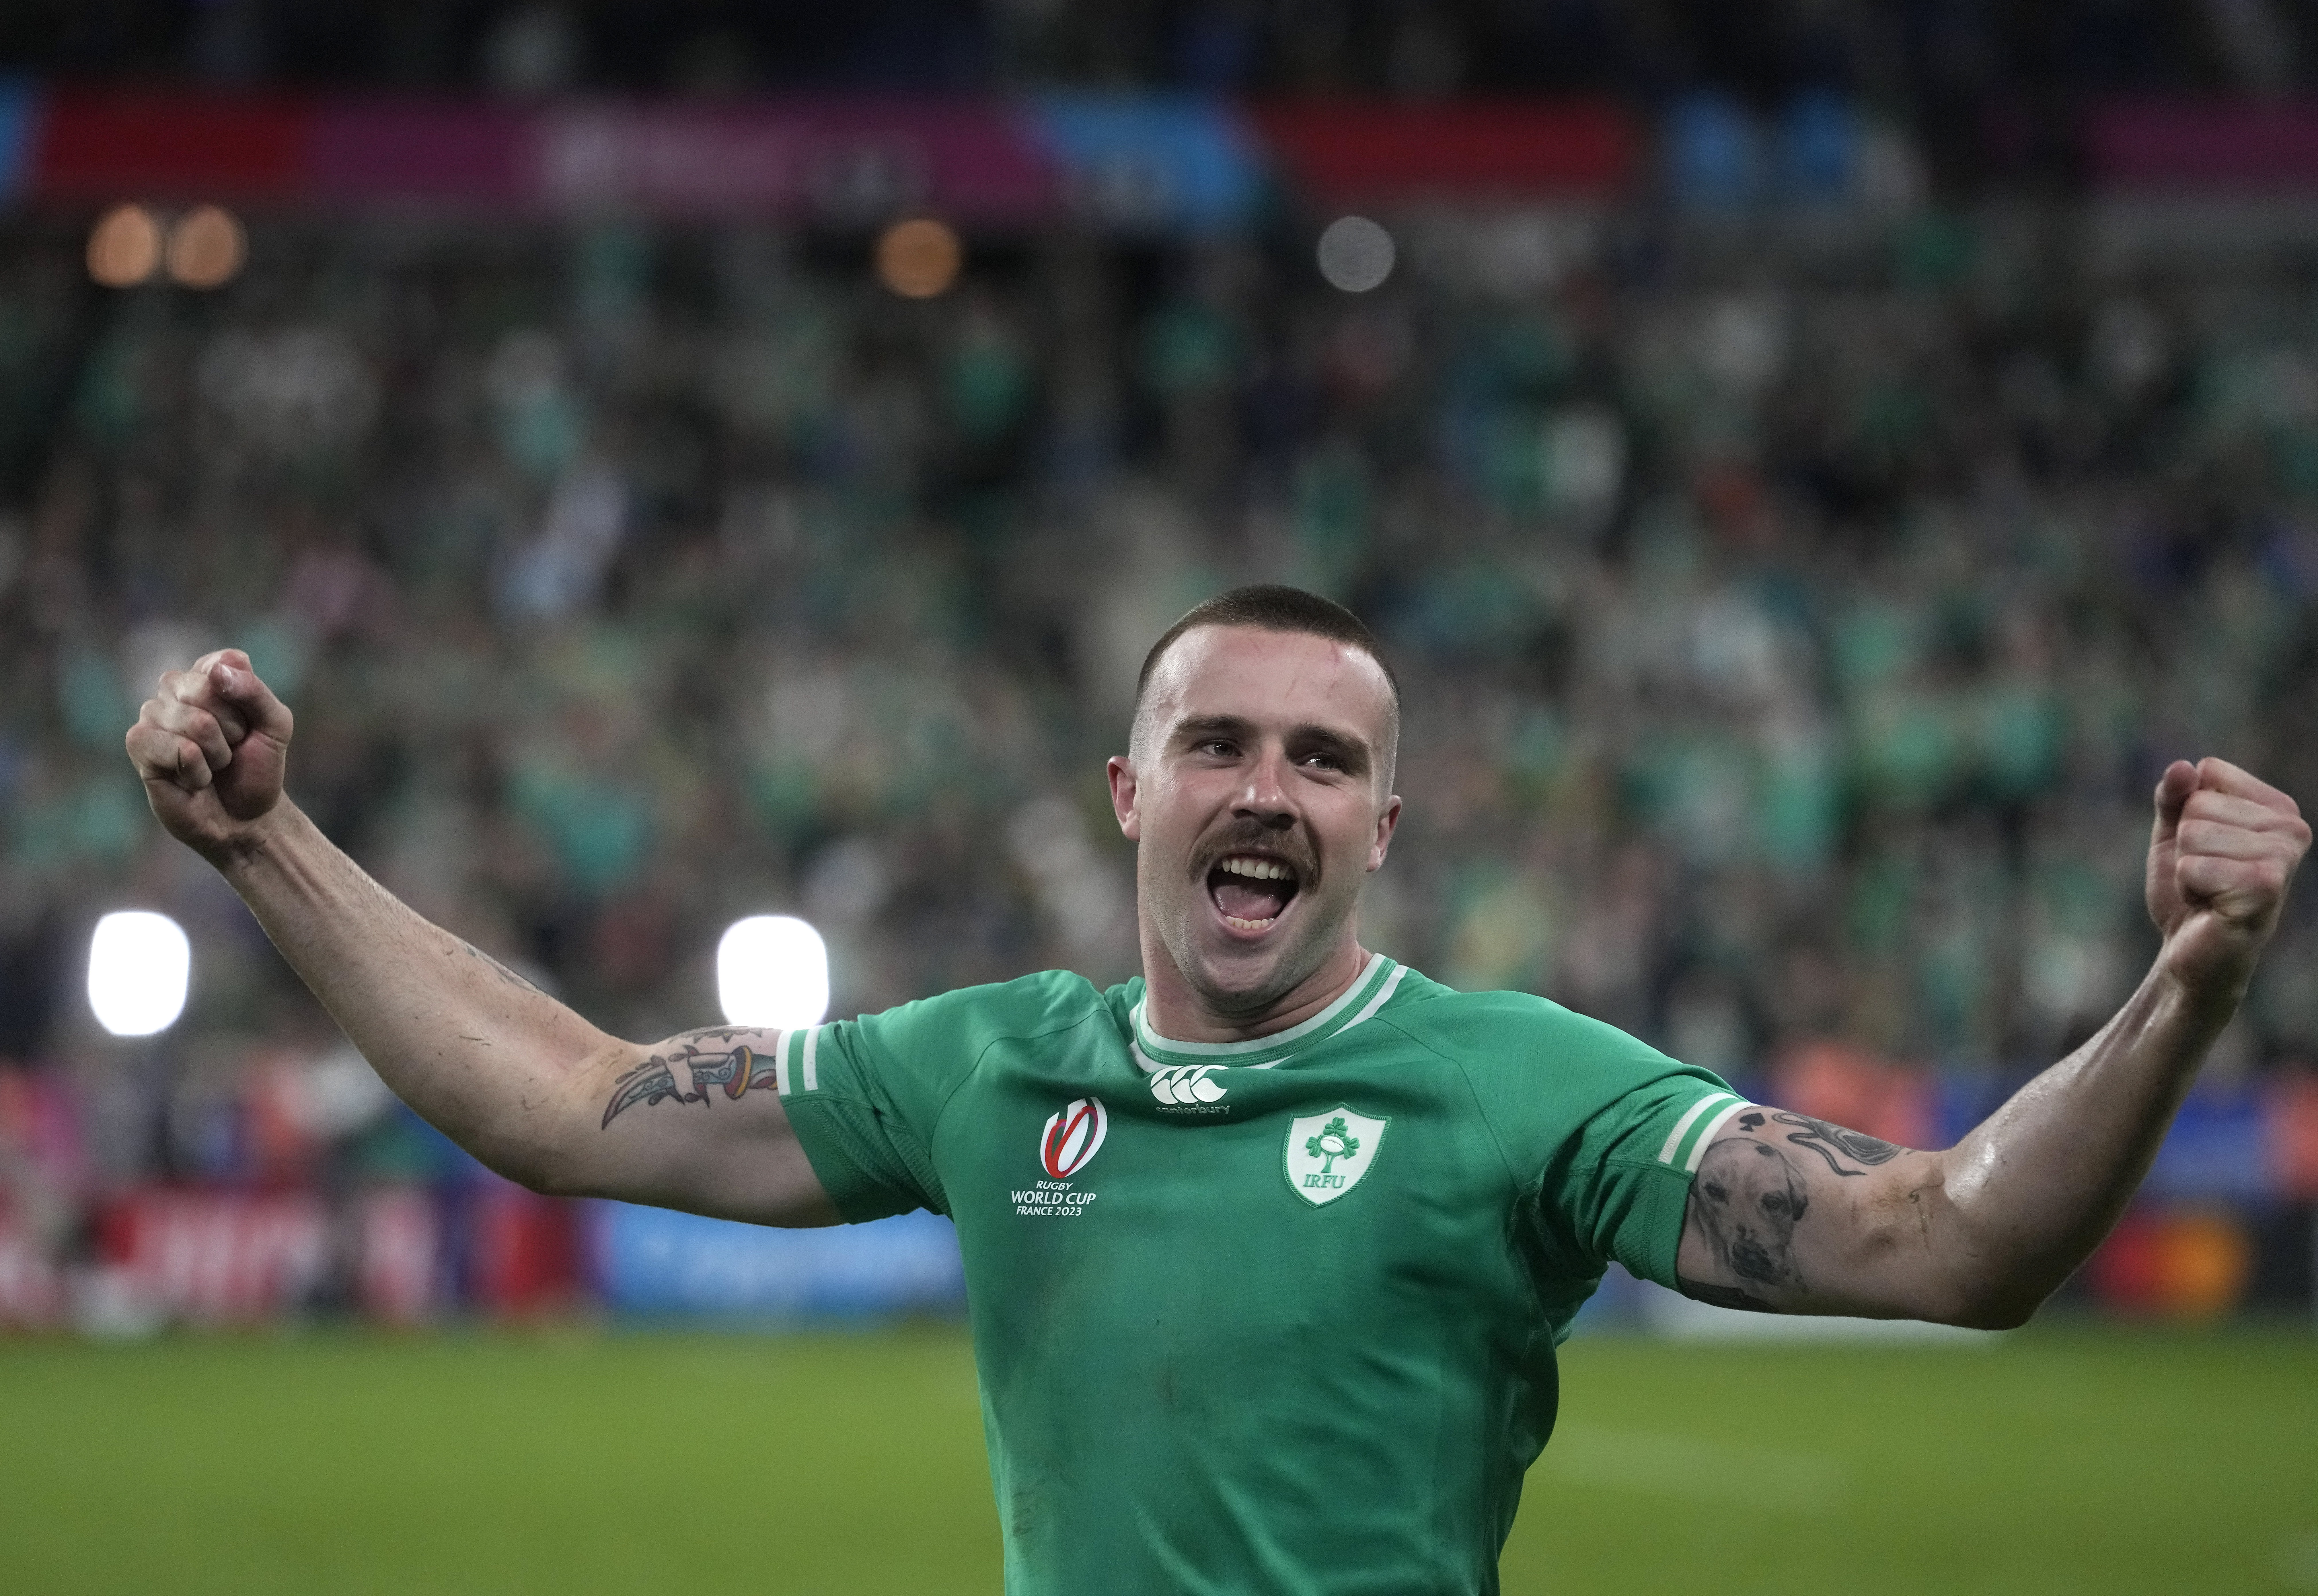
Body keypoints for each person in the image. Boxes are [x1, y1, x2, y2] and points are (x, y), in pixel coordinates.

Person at [126, 584, 2308, 1594]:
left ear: (1384, 829)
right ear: (1133, 795)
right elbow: (567, 1098)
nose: (1270, 789)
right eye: (1224, 745)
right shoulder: (982, 1068)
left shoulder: (1531, 1091)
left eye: (1327, 759)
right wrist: (265, 849)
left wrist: (2186, 986)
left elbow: (1954, 1241)